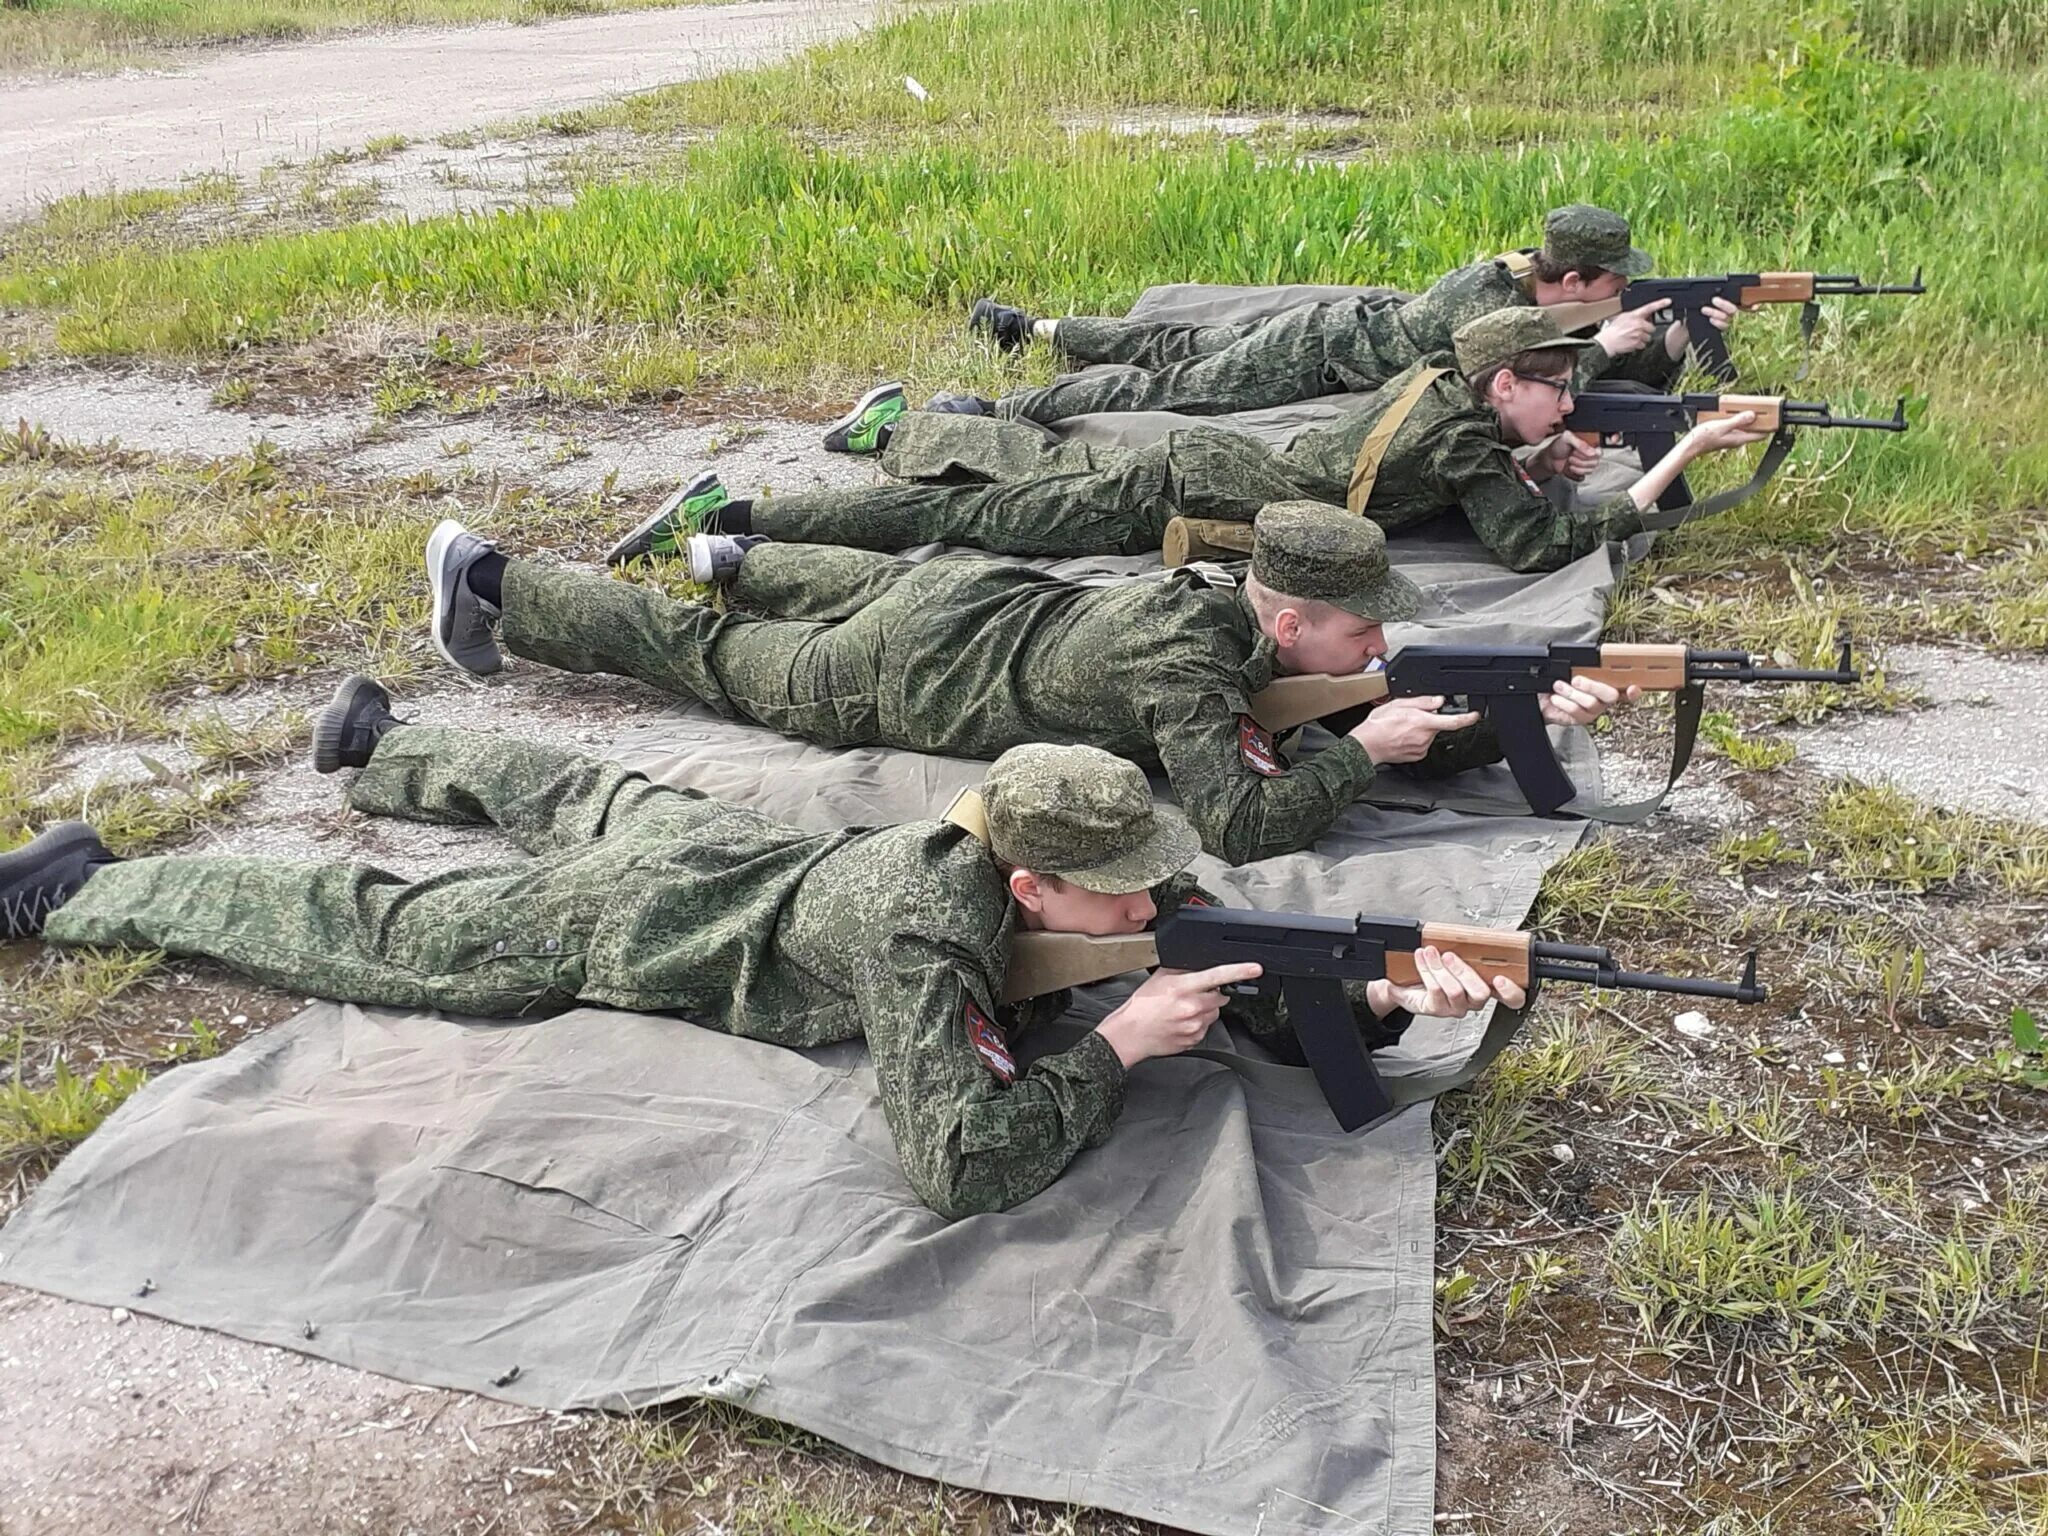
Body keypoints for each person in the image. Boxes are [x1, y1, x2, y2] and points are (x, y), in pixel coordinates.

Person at [2, 729, 1526, 1219]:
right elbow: (957, 1163)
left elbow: (1246, 974)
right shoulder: (926, 936)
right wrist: (1117, 1046)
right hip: (660, 929)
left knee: (593, 789)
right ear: (1026, 883)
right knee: (385, 930)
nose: (1161, 901)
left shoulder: (1114, 860)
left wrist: (1385, 996)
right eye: (1122, 898)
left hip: (752, 855)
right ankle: (94, 886)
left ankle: (392, 742)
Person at [429, 501, 1628, 865]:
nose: (1376, 652)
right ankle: (493, 582)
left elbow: (1367, 716)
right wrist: (1362, 756)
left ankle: (747, 559)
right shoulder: (1189, 660)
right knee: (692, 659)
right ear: (1295, 617)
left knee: (834, 584)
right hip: (898, 674)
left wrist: (1499, 716)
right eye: (1363, 630)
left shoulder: (1238, 621)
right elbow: (1241, 820)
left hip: (967, 595)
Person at [611, 309, 1772, 576]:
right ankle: (736, 517)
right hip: (1179, 500)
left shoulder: (1439, 391)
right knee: (959, 522)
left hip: (1192, 473)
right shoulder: (1471, 444)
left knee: (1008, 482)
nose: (1570, 411)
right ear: (1502, 382)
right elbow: (1530, 551)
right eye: (1554, 395)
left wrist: (1525, 458)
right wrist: (1674, 467)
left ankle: (904, 428)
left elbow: (1459, 471)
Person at [958, 203, 1738, 425]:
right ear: (1571, 279)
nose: (1617, 293)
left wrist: (1673, 336)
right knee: (1169, 385)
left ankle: (1035, 329)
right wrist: (1602, 347)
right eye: (1609, 283)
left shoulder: (1544, 294)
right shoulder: (1487, 305)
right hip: (1319, 350)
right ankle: (996, 405)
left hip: (1345, 324)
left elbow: (1620, 355)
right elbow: (1491, 382)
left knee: (1180, 338)